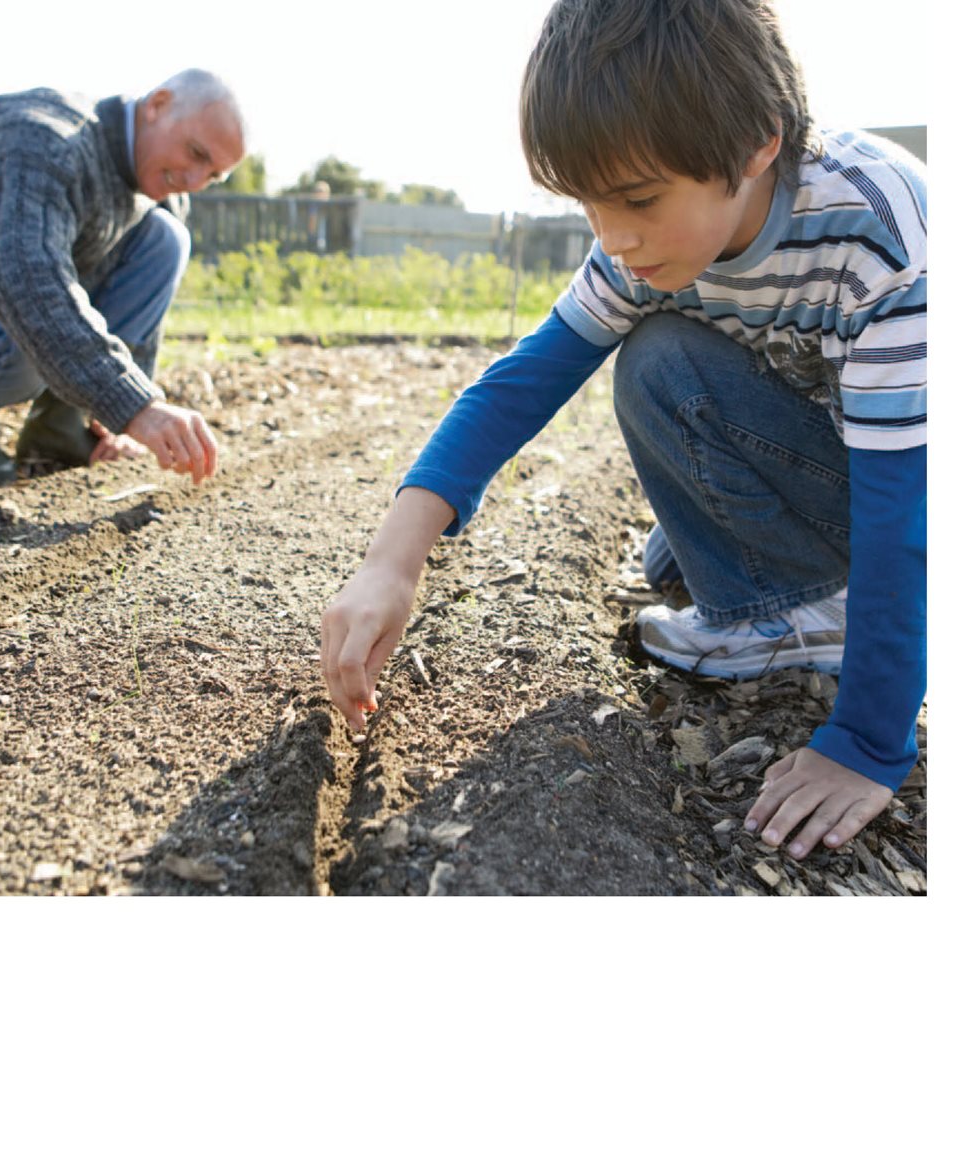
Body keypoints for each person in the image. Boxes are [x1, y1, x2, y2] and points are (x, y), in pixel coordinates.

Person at [322, 0, 926, 862]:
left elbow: (906, 509)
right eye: (590, 203)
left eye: (637, 199)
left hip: (913, 477)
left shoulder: (882, 242)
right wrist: (391, 561)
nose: (613, 237)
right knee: (666, 563)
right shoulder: (640, 243)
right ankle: (793, 603)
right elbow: (518, 385)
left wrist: (868, 743)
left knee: (659, 365)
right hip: (831, 460)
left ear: (758, 141)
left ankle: (800, 620)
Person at [0, 68, 247, 496]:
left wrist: (121, 416)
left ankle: (64, 430)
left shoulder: (156, 189)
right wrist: (135, 406)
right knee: (19, 323)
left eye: (212, 175)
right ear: (157, 105)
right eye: (195, 153)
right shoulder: (42, 139)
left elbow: (139, 323)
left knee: (165, 238)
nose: (193, 181)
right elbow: (22, 283)